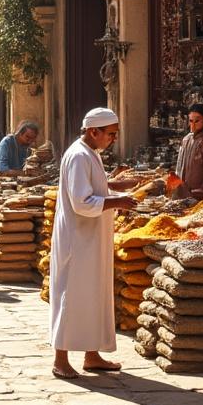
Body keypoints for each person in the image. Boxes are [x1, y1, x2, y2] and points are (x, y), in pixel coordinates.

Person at [50, 107, 140, 379]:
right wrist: (118, 201)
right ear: (93, 131)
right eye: (110, 134)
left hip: (91, 239)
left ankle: (92, 354)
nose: (113, 139)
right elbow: (81, 201)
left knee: (93, 296)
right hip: (78, 240)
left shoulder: (90, 154)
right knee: (71, 295)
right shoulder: (79, 156)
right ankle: (60, 359)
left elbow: (94, 189)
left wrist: (117, 187)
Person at [171, 103, 203, 197]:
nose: (193, 124)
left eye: (197, 121)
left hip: (199, 195)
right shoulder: (186, 140)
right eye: (191, 121)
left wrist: (202, 192)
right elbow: (179, 166)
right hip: (182, 192)